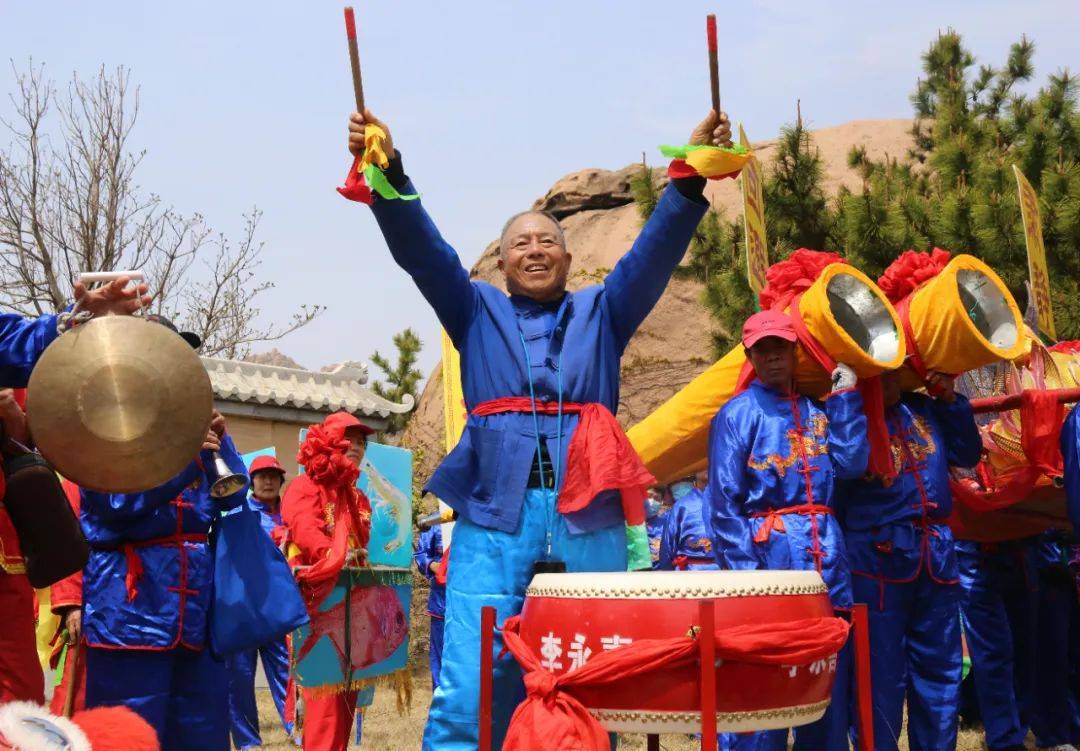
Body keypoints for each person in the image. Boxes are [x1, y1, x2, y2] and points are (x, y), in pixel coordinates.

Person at [348, 103, 729, 749]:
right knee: (472, 687)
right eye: (521, 240)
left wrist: (689, 176)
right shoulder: (474, 310)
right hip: (496, 516)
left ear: (569, 257)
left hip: (591, 516)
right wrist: (391, 172)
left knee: (591, 676)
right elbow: (424, 252)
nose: (534, 248)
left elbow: (653, 254)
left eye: (546, 240)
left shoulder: (604, 311)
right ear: (501, 262)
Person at [79, 319, 250, 751]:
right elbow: (115, 507)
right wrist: (189, 461)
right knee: (127, 734)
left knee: (202, 732)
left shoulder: (193, 428)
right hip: (128, 610)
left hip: (195, 610)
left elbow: (231, 499)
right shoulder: (100, 427)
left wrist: (222, 448)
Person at [707, 310, 865, 751]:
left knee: (826, 673)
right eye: (763, 350)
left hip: (826, 552)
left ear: (795, 352)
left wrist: (847, 397)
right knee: (766, 676)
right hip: (768, 551)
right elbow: (722, 502)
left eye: (781, 347)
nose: (773, 357)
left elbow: (852, 465)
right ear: (750, 356)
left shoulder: (820, 410)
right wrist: (749, 580)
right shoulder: (737, 415)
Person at [837, 369, 981, 751]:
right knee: (878, 675)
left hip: (934, 554)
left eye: (892, 374)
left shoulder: (922, 409)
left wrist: (950, 401)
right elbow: (846, 470)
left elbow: (967, 453)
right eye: (876, 375)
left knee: (941, 668)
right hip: (876, 559)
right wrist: (846, 397)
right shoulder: (847, 416)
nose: (886, 382)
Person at [280, 411, 373, 751]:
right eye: (350, 440)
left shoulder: (357, 496)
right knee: (323, 704)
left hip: (352, 605)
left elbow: (362, 544)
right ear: (330, 442)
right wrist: (333, 555)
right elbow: (304, 528)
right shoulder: (306, 486)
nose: (357, 447)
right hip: (317, 606)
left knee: (347, 697)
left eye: (362, 443)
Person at [226, 455, 297, 750]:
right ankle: (247, 741)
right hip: (243, 609)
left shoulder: (292, 514)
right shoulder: (238, 512)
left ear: (281, 480)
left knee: (288, 672)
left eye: (273, 476)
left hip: (279, 609)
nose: (267, 481)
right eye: (261, 476)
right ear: (252, 481)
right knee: (239, 678)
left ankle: (297, 730)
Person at [955, 537, 1039, 751]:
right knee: (994, 650)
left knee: (1022, 646)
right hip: (975, 549)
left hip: (1018, 549)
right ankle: (1005, 740)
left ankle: (974, 708)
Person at [658, 470, 716, 571]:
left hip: (724, 573)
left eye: (710, 462)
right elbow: (667, 547)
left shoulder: (727, 504)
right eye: (702, 464)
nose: (707, 467)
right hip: (689, 572)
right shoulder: (681, 506)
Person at [414, 523, 446, 690]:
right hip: (442, 605)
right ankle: (440, 708)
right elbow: (420, 554)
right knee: (439, 659)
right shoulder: (436, 523)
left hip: (472, 606)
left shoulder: (477, 517)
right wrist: (434, 566)